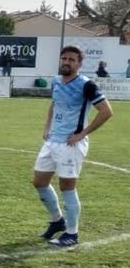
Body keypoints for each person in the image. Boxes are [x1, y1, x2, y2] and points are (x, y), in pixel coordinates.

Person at [33, 46, 113, 247]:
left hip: (71, 144)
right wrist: (47, 127)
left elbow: (106, 111)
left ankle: (72, 233)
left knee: (67, 187)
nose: (66, 62)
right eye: (64, 58)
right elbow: (54, 104)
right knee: (39, 182)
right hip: (53, 141)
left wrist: (82, 133)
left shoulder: (87, 85)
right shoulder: (57, 81)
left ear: (79, 64)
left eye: (71, 59)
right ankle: (57, 220)